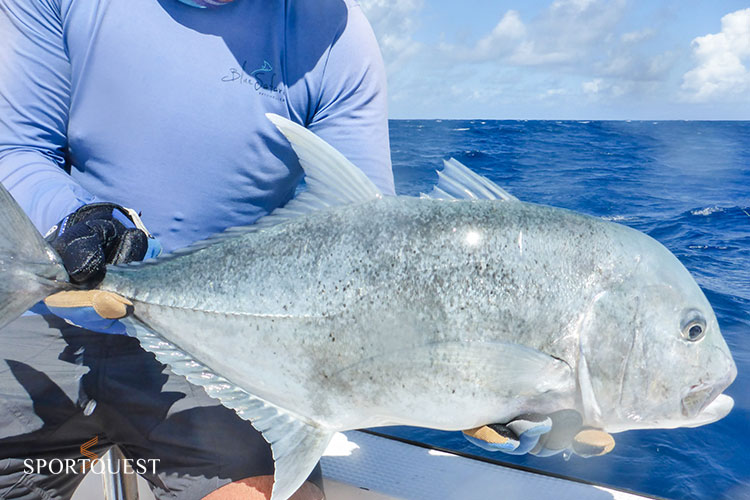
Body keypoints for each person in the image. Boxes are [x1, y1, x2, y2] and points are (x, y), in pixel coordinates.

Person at [0, 0, 393, 498]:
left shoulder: (332, 33)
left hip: (222, 353)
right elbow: (17, 147)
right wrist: (80, 219)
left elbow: (365, 241)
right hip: (43, 314)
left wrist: (478, 388)